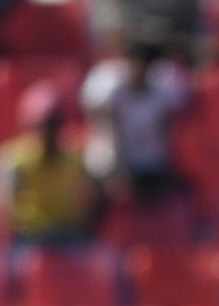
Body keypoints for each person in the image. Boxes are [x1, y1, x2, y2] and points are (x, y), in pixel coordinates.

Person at [80, 42, 190, 207]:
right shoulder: (115, 95)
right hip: (119, 164)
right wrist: (120, 171)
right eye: (135, 64)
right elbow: (113, 135)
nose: (138, 70)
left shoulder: (161, 97)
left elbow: (165, 136)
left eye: (143, 65)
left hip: (150, 165)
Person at [0, 83, 98, 245]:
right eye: (45, 125)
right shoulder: (13, 160)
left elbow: (90, 205)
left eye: (54, 124)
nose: (50, 132)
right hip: (29, 238)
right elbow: (1, 209)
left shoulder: (76, 158)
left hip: (69, 234)